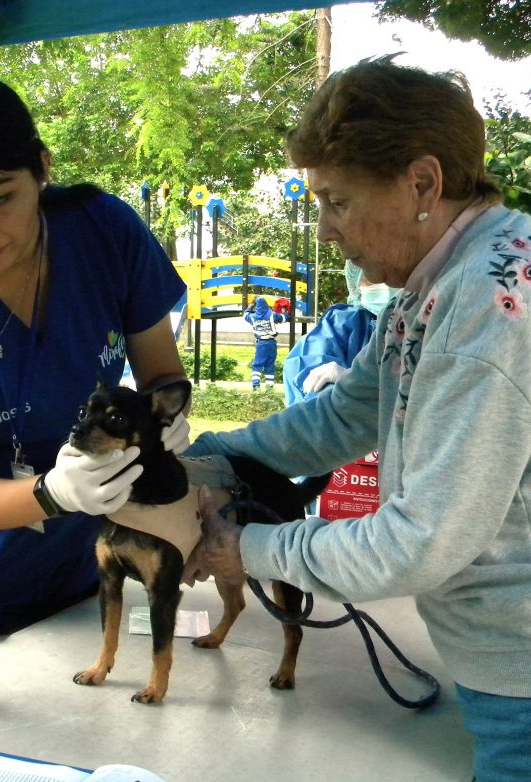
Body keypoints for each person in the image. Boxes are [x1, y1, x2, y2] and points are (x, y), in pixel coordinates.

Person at [187, 56, 531, 782]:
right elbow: (344, 415)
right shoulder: (437, 283)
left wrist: (247, 548)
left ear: (423, 183)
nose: (327, 231)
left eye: (336, 201)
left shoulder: (483, 315)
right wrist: (213, 456)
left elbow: (417, 541)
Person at [0, 73, 189, 644]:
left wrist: (166, 421)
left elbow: (163, 375)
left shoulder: (104, 232)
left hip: (91, 571)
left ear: (41, 168)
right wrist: (53, 493)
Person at [282, 260, 399, 405]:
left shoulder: (423, 324)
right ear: (356, 285)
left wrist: (354, 382)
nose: (385, 286)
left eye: (389, 276)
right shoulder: (341, 324)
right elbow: (310, 381)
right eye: (370, 280)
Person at [243, 295, 287, 389]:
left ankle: (255, 385)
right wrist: (284, 308)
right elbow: (284, 318)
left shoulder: (252, 317)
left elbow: (245, 314)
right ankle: (269, 388)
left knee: (257, 365)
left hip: (261, 343)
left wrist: (251, 304)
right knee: (270, 365)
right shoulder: (272, 315)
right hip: (271, 343)